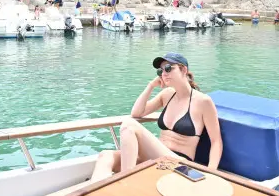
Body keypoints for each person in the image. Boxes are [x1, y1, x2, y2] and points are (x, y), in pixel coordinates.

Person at [91, 53, 223, 182]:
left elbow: (216, 141)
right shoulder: (166, 95)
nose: (164, 73)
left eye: (168, 68)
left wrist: (211, 174)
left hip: (180, 165)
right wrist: (151, 86)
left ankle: (127, 182)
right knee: (105, 156)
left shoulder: (203, 101)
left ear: (183, 69)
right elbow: (137, 113)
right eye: (160, 71)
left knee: (129, 126)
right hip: (156, 157)